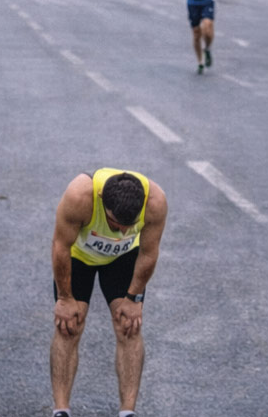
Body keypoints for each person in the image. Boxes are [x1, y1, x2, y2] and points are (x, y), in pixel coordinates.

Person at [51, 168, 169, 417]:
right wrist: (65, 298)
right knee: (69, 325)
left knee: (129, 325)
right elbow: (61, 247)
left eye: (130, 226)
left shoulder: (155, 202)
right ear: (103, 201)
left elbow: (148, 253)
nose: (123, 232)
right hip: (79, 257)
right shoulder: (80, 196)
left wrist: (134, 298)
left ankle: (128, 412)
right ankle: (61, 410)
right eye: (115, 224)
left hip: (122, 258)